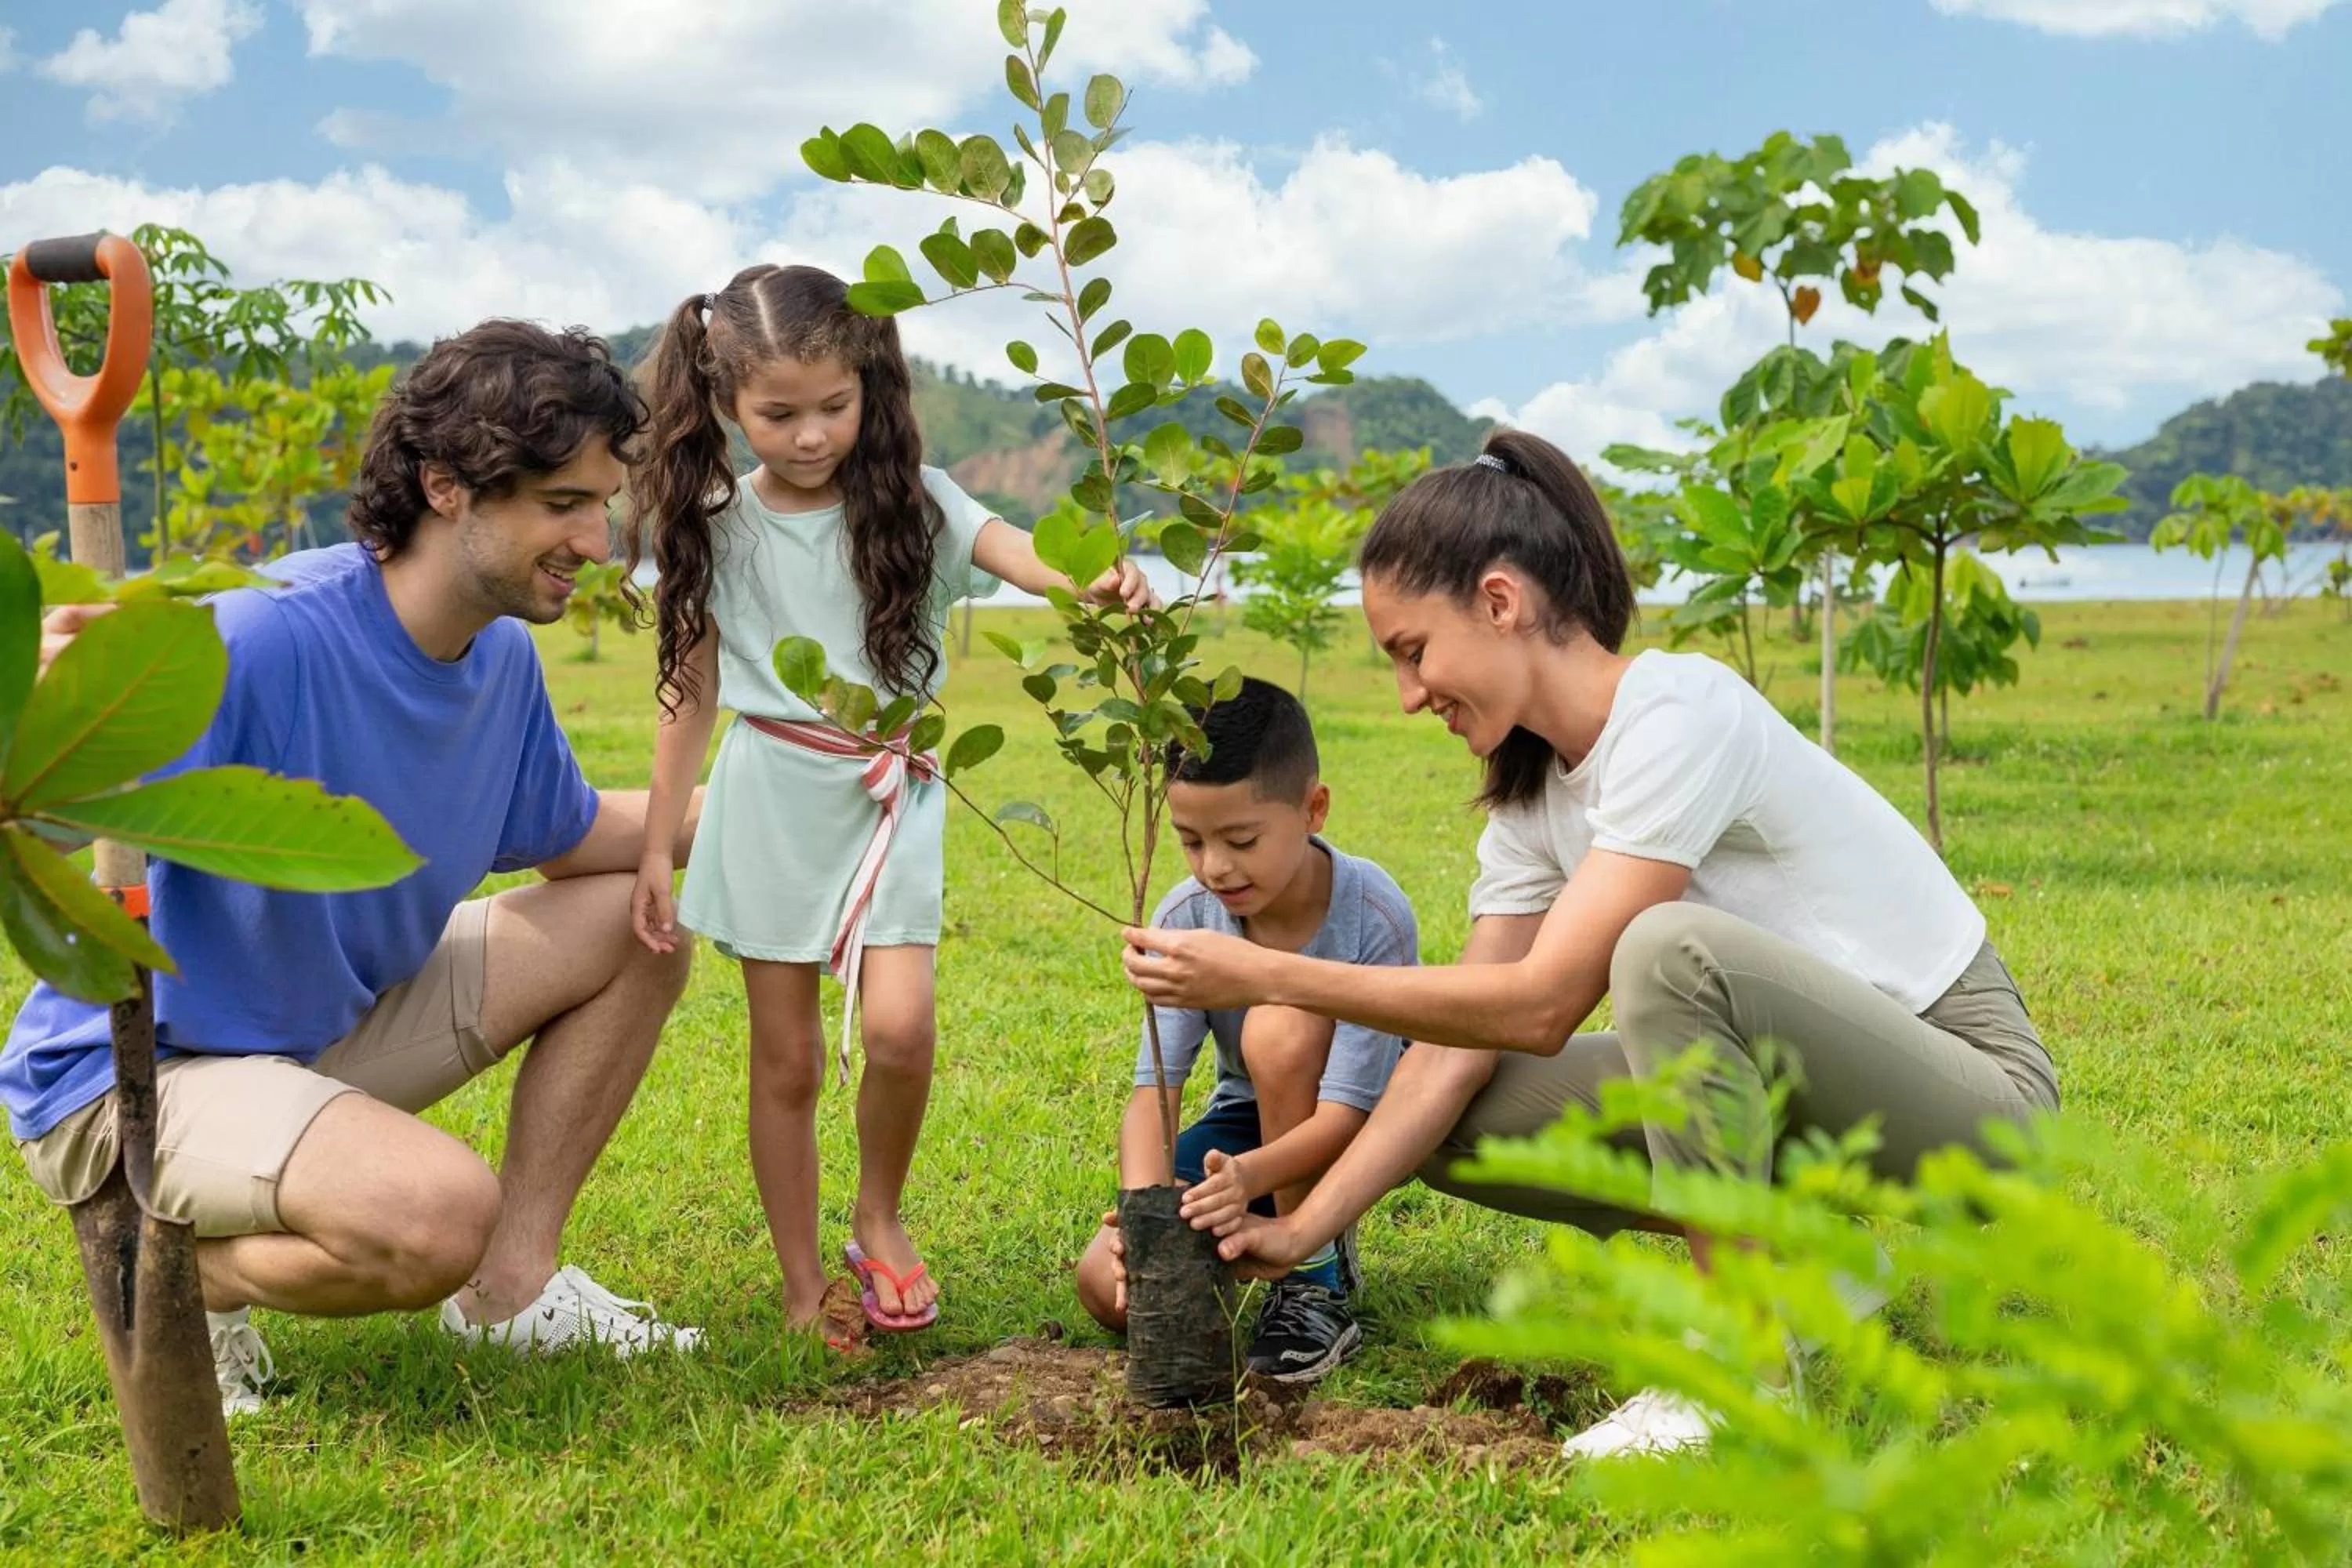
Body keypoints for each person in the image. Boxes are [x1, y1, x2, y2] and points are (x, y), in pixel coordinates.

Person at [1120, 430, 2058, 1457]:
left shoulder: (1679, 713)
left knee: (1664, 954)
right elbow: (1453, 1052)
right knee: (1447, 1112)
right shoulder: (1531, 803)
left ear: (1499, 601)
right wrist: (1302, 1229)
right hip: (1802, 1093)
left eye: (1412, 651)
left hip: (1973, 1095)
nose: (1408, 693)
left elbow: (1542, 1004)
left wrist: (1263, 972)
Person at [3, 321, 705, 1419]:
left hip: (309, 1040)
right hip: (136, 1075)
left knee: (639, 915)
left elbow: (579, 839)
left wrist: (773, 802)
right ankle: (169, 1274)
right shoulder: (261, 637)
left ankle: (511, 1294)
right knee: (432, 1215)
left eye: (603, 505)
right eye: (565, 504)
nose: (600, 541)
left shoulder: (498, 660)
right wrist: (46, 718)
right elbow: (42, 822)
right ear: (447, 487)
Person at [628, 263, 1152, 1342]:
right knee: (788, 1059)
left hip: (892, 791)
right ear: (727, 407)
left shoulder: (914, 500)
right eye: (778, 414)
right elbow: (691, 693)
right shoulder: (716, 524)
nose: (812, 434)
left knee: (902, 1030)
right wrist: (653, 843)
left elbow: (1011, 548)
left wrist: (1091, 579)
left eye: (835, 406)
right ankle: (800, 1280)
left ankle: (879, 1212)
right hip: (771, 793)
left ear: (870, 386)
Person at [1073, 677, 1417, 1384]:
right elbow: (1154, 1096)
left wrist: (1248, 1178)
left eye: (1241, 839)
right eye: (1191, 841)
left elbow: (1350, 1114)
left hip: (1358, 1127)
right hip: (1244, 1125)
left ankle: (1314, 1279)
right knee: (1101, 1287)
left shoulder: (1372, 915)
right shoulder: (1185, 916)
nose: (1215, 867)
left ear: (1313, 809)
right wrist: (1150, 1225)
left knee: (1278, 1027)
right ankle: (1242, 1259)